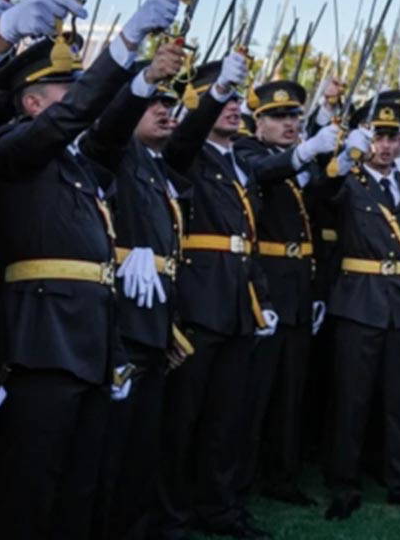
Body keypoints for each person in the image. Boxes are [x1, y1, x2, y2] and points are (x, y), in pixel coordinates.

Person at [0, 0, 178, 538]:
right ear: (31, 102)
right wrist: (123, 43)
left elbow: (105, 129)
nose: (78, 101)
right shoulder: (15, 148)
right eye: (63, 90)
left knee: (80, 488)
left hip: (92, 343)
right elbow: (74, 119)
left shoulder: (76, 166)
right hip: (41, 344)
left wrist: (143, 81)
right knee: (32, 490)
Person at [154, 51, 278, 539]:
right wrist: (217, 91)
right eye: (216, 100)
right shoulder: (184, 151)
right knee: (184, 417)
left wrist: (260, 296)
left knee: (229, 417)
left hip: (238, 302)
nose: (230, 109)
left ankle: (221, 508)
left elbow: (248, 239)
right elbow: (184, 137)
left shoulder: (240, 162)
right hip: (199, 301)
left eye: (232, 100)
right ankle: (173, 514)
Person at [315, 96, 400, 520]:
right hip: (358, 301)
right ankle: (344, 486)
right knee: (352, 400)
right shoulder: (348, 181)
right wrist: (345, 153)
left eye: (392, 137)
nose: (385, 146)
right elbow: (322, 192)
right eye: (377, 137)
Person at [85, 43, 191, 539]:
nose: (165, 111)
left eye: (169, 105)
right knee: (114, 441)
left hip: (155, 318)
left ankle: (137, 524)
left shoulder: (152, 164)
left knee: (144, 439)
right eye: (155, 104)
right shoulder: (115, 151)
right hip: (122, 319)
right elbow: (106, 133)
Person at [234, 81, 339, 507]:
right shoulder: (246, 152)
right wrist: (308, 150)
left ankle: (282, 474)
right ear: (257, 122)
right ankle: (240, 479)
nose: (289, 124)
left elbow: (318, 207)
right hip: (266, 286)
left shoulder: (300, 162)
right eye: (278, 117)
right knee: (254, 394)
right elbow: (266, 172)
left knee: (289, 393)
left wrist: (339, 161)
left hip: (298, 285)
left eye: (294, 117)